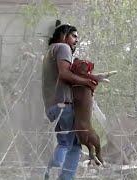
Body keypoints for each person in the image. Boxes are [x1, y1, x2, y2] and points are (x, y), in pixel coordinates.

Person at [42, 20, 98, 180]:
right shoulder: (63, 47)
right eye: (74, 36)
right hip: (64, 106)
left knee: (64, 142)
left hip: (52, 107)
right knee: (72, 145)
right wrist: (87, 82)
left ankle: (49, 174)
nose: (76, 40)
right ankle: (61, 176)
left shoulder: (49, 52)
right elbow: (65, 74)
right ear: (63, 35)